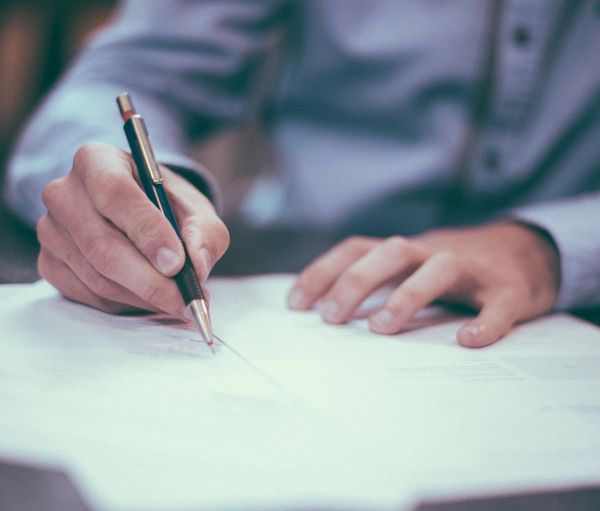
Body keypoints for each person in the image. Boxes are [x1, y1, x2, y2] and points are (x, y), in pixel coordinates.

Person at [4, 0, 600, 348]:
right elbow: (126, 73)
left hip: (570, 307)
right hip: (298, 280)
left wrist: (551, 247)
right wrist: (111, 188)